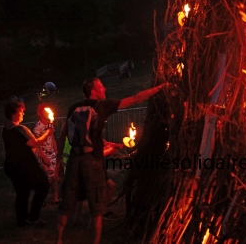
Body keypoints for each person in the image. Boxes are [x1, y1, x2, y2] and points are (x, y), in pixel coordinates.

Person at [55, 77, 169, 244]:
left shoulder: (74, 107)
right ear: (93, 91)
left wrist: (58, 161)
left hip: (74, 160)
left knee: (66, 202)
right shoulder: (103, 106)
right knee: (97, 206)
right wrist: (159, 88)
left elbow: (63, 135)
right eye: (101, 87)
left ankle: (58, 240)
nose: (105, 89)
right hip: (93, 162)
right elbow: (136, 98)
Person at [2, 100, 54, 227]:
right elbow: (34, 143)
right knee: (43, 186)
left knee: (22, 192)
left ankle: (22, 220)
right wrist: (48, 133)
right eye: (22, 112)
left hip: (11, 166)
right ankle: (33, 217)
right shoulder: (20, 129)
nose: (23, 114)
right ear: (15, 113)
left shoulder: (6, 128)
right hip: (25, 166)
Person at [33, 103, 59, 204]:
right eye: (44, 111)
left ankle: (55, 198)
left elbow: (52, 139)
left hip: (52, 154)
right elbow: (36, 144)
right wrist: (43, 157)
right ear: (39, 113)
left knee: (54, 177)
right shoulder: (37, 127)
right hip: (43, 155)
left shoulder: (50, 125)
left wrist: (56, 153)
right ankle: (41, 199)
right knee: (46, 179)